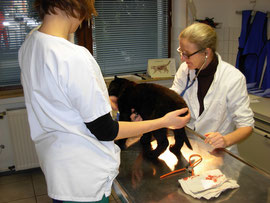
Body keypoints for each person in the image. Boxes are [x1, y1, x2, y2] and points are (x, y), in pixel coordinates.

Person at [18, 0, 190, 202]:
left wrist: (100, 100)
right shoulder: (73, 56)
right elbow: (105, 130)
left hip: (59, 169)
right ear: (76, 6)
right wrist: (164, 122)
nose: (82, 21)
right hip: (84, 177)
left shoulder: (31, 42)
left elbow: (57, 97)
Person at [170, 22, 254, 153]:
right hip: (188, 145)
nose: (182, 58)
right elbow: (172, 98)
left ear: (206, 52)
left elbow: (246, 125)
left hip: (218, 151)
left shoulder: (233, 78)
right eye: (181, 52)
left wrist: (225, 140)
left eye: (187, 54)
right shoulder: (185, 70)